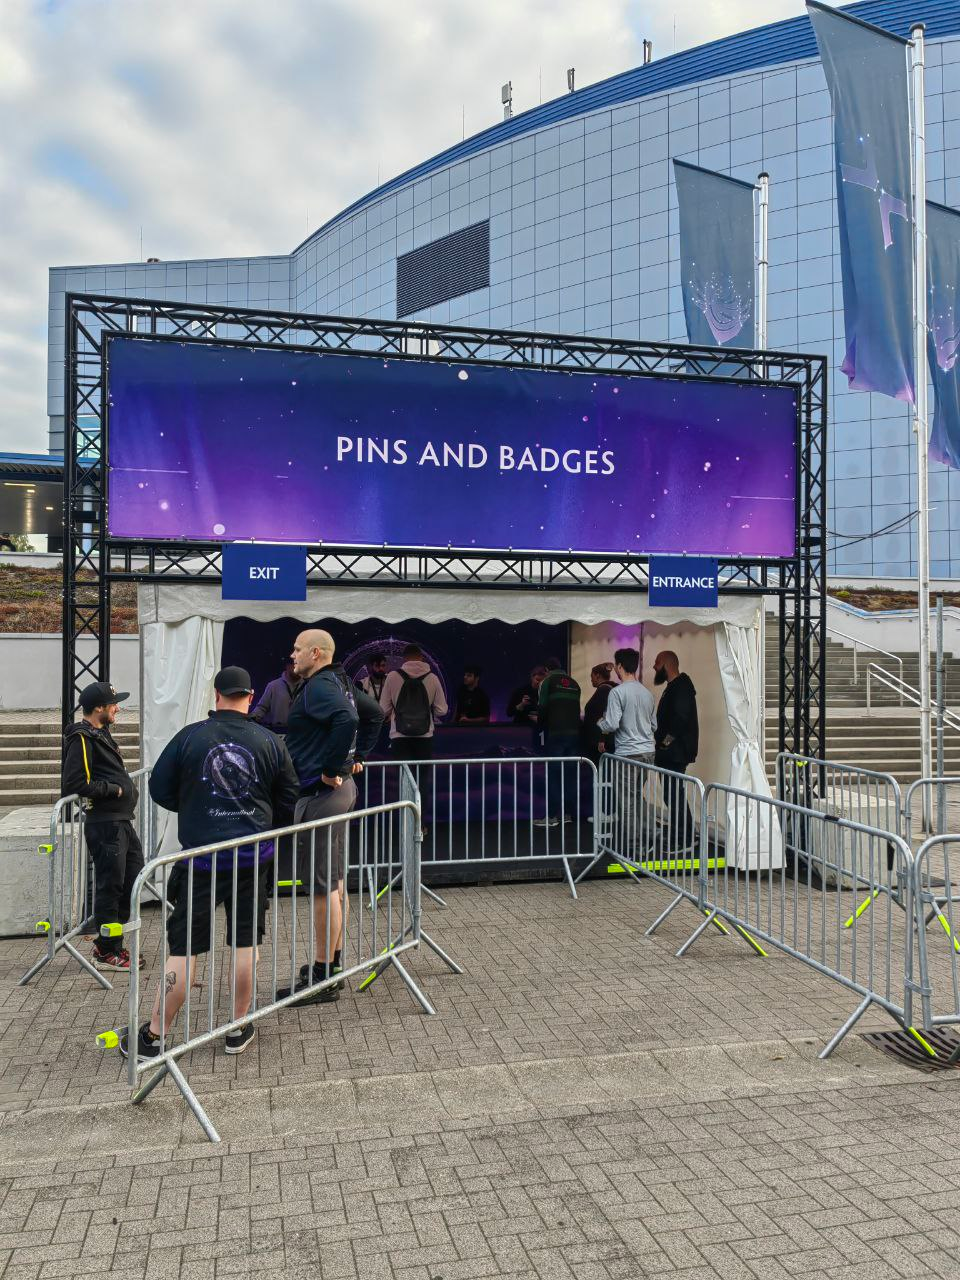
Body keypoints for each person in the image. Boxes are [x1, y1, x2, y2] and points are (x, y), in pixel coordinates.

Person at [122, 667, 299, 1060]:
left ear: (216, 695)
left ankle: (154, 1036)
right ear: (250, 696)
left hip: (200, 859)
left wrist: (194, 807)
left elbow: (159, 788)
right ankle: (237, 1026)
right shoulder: (269, 741)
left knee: (184, 949)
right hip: (252, 858)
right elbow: (289, 795)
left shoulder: (191, 737)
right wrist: (263, 822)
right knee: (245, 942)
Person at [282, 629, 384, 1003]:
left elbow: (348, 718)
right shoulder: (339, 682)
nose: (292, 655)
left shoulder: (322, 686)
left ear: (316, 653)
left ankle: (324, 975)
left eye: (297, 649)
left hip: (323, 794)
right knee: (334, 882)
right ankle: (332, 966)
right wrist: (356, 758)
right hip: (337, 793)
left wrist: (332, 767)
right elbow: (373, 714)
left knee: (324, 887)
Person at [61, 681, 142, 975]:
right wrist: (114, 790)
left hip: (120, 821)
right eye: (113, 705)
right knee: (111, 885)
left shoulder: (100, 733)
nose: (117, 708)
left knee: (132, 877)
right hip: (106, 824)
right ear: (98, 708)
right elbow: (74, 783)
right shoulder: (81, 738)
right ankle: (107, 951)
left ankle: (110, 943)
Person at [598, 649, 657, 849]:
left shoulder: (617, 692)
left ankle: (635, 846)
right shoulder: (647, 693)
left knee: (627, 802)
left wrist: (600, 723)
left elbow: (612, 724)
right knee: (637, 797)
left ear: (620, 666)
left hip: (628, 753)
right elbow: (654, 726)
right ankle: (650, 836)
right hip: (648, 752)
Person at [653, 650, 700, 848]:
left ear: (666, 664)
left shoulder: (681, 687)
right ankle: (684, 833)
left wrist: (665, 742)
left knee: (673, 794)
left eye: (657, 663)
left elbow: (680, 718)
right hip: (672, 752)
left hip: (675, 752)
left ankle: (684, 837)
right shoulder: (675, 687)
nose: (654, 667)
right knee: (672, 794)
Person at [534, 656, 581, 827]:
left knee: (554, 775)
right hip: (575, 735)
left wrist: (539, 722)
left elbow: (542, 708)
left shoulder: (547, 682)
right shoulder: (575, 683)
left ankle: (552, 817)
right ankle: (568, 815)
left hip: (556, 735)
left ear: (547, 670)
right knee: (570, 775)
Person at [379, 643, 448, 760]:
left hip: (399, 735)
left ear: (404, 658)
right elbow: (442, 710)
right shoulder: (433, 678)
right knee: (422, 771)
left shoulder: (392, 677)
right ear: (421, 657)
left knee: (403, 771)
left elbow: (383, 709)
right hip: (425, 735)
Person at [249, 655, 300, 733]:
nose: (296, 667)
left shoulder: (308, 685)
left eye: (299, 664)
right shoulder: (273, 686)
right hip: (278, 732)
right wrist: (249, 719)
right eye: (294, 664)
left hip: (301, 733)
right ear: (287, 666)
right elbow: (262, 708)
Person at [581, 663, 616, 763]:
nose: (591, 680)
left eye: (591, 676)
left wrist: (602, 739)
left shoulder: (604, 690)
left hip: (601, 745)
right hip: (603, 742)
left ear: (598, 675)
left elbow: (606, 715)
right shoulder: (609, 689)